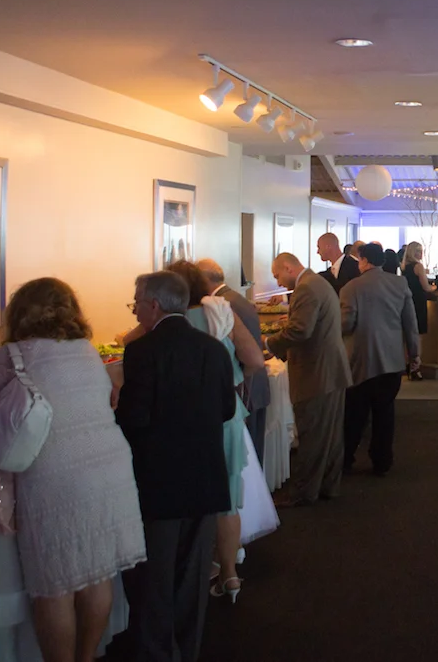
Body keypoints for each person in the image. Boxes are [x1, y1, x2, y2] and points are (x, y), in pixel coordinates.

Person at [0, 278, 145, 662]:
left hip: (53, 476)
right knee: (97, 574)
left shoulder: (11, 356)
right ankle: (87, 656)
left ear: (19, 312)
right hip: (109, 469)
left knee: (54, 585)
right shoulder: (86, 351)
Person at [116, 271, 234, 662]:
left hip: (159, 481)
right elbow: (227, 409)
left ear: (154, 305)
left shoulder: (142, 351)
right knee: (191, 580)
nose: (134, 310)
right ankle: (187, 650)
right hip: (206, 478)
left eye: (136, 302)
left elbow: (134, 419)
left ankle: (158, 654)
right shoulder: (213, 348)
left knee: (154, 582)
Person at [165, 261, 263, 604]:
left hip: (182, 418)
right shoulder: (221, 313)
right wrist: (235, 379)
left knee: (186, 493)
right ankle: (230, 574)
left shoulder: (167, 323)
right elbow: (255, 359)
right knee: (226, 498)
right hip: (224, 411)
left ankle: (190, 571)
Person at [265, 252, 352, 506]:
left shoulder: (306, 288)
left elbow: (300, 330)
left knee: (312, 435)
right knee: (330, 436)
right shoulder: (316, 282)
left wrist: (268, 343)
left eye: (277, 275)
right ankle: (327, 486)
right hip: (330, 370)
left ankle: (303, 492)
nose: (278, 282)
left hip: (317, 372)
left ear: (288, 268)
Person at [340, 243, 421, 476]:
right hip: (392, 360)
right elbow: (410, 324)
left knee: (355, 414)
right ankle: (382, 460)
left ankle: (346, 458)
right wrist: (414, 354)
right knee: (385, 413)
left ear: (364, 261)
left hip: (360, 360)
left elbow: (346, 324)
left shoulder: (350, 288)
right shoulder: (399, 284)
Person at [197, 259, 271, 464]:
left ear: (203, 280)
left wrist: (238, 378)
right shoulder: (236, 298)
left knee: (246, 458)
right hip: (257, 384)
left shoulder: (222, 305)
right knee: (254, 455)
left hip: (246, 388)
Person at [402, 242, 437, 380]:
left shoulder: (404, 267)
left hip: (407, 302)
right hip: (418, 303)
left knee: (408, 335)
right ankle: (416, 368)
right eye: (418, 251)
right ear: (413, 252)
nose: (421, 253)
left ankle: (408, 364)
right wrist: (434, 287)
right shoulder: (418, 266)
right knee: (417, 336)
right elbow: (426, 287)